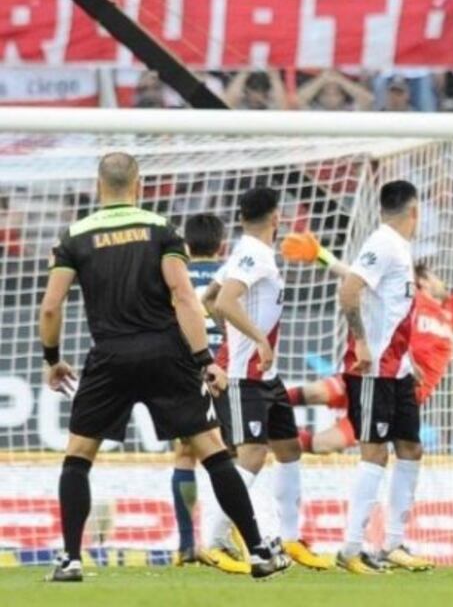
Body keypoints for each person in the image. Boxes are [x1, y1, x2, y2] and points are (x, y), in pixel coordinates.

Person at [39, 153, 288, 582]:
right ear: (139, 185)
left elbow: (50, 306)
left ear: (99, 186)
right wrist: (205, 360)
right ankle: (259, 551)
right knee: (211, 450)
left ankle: (71, 559)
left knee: (78, 456)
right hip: (165, 352)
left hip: (110, 355)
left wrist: (51, 358)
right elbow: (183, 296)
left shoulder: (75, 236)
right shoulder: (161, 229)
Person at [277, 200, 453, 459]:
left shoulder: (451, 310)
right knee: (315, 392)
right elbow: (356, 278)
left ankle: (268, 435)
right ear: (424, 280)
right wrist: (320, 256)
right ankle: (261, 408)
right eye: (436, 276)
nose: (442, 281)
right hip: (379, 374)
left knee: (325, 444)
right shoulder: (409, 296)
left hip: (401, 398)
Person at [205, 188, 332, 573]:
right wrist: (253, 340)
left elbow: (209, 298)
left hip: (267, 376)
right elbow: (224, 301)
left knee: (289, 448)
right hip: (247, 377)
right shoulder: (254, 254)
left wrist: (235, 337)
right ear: (276, 218)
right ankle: (215, 539)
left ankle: (290, 539)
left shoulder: (247, 251)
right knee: (252, 456)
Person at [336, 180, 426, 574]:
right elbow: (349, 290)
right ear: (414, 211)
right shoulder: (383, 243)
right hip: (373, 370)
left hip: (398, 368)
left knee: (410, 448)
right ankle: (351, 548)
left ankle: (393, 543)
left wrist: (407, 358)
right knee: (374, 451)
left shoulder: (399, 249)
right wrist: (360, 343)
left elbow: (388, 309)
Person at [172, 214, 226, 566]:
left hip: (187, 370)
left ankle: (187, 544)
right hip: (226, 369)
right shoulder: (231, 273)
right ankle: (224, 538)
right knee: (229, 457)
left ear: (187, 245)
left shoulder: (176, 275)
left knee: (185, 455)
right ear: (223, 244)